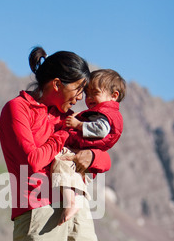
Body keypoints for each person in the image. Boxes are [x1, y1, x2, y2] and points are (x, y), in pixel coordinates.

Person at [0, 46, 111, 241]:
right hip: (37, 208)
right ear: (57, 83)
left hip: (78, 206)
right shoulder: (17, 109)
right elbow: (33, 160)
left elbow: (103, 156)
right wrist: (62, 136)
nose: (80, 97)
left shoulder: (68, 117)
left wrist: (92, 155)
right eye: (77, 89)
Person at [52, 69, 126, 226]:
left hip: (79, 150)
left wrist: (78, 125)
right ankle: (75, 200)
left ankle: (70, 201)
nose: (89, 97)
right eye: (87, 94)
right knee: (77, 176)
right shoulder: (101, 113)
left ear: (114, 95)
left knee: (60, 161)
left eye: (95, 93)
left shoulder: (104, 115)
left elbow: (101, 130)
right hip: (83, 153)